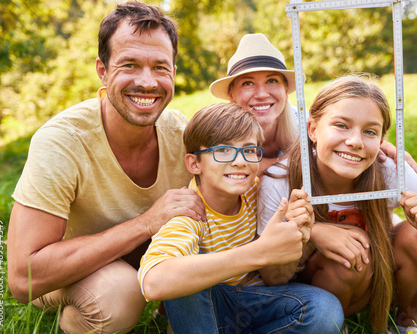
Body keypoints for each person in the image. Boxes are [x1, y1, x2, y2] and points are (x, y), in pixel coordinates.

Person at [7, 2, 206, 333]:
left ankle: (166, 311)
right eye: (129, 64)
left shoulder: (180, 135)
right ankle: (78, 320)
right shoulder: (62, 142)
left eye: (161, 67)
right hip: (63, 272)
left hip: (138, 264)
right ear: (102, 70)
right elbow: (22, 278)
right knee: (117, 294)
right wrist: (146, 223)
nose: (147, 82)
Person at [257, 75, 417, 334]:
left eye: (370, 131)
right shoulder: (280, 180)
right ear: (312, 129)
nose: (356, 141)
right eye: (341, 125)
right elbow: (272, 278)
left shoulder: (389, 170)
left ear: (383, 139)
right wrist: (308, 235)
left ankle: (406, 325)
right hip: (313, 290)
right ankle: (331, 325)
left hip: (375, 278)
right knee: (351, 256)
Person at [138, 103, 345, 333]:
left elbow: (306, 160)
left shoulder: (258, 190)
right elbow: (153, 282)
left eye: (249, 150)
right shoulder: (189, 213)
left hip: (254, 303)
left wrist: (298, 229)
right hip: (208, 308)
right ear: (194, 164)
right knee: (183, 271)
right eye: (223, 150)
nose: (240, 161)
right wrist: (258, 253)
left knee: (325, 310)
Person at [209, 33, 417, 177]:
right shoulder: (218, 133)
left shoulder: (304, 121)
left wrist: (387, 147)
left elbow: (344, 129)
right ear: (231, 94)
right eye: (248, 83)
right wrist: (285, 163)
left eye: (272, 80)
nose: (262, 94)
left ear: (286, 88)